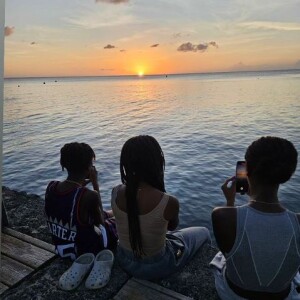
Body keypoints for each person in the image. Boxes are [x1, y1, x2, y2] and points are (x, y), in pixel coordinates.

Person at [211, 136, 300, 300]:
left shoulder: (222, 215)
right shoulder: (297, 222)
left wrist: (230, 201)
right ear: (288, 173)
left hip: (233, 295)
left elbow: (229, 248)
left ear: (247, 170)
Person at [111, 135, 211, 280]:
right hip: (159, 266)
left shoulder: (115, 192)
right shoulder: (168, 201)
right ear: (156, 162)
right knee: (204, 232)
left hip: (124, 260)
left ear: (125, 164)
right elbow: (172, 227)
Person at [45, 142, 117, 260]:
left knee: (108, 213)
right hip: (84, 251)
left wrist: (80, 184)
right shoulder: (89, 195)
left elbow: (67, 202)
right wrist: (95, 184)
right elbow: (101, 224)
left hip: (61, 247)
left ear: (64, 164)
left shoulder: (51, 187)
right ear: (89, 168)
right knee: (121, 219)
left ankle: (115, 212)